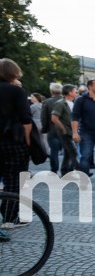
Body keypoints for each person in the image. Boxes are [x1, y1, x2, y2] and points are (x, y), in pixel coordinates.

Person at [0, 59, 32, 226]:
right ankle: (9, 217)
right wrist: (27, 143)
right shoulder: (15, 91)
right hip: (13, 141)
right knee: (16, 179)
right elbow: (26, 120)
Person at [50, 84, 79, 175]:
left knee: (68, 153)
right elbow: (54, 118)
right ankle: (81, 171)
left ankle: (65, 172)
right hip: (65, 132)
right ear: (70, 92)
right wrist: (63, 129)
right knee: (73, 152)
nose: (76, 93)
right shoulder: (60, 103)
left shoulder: (74, 103)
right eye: (75, 91)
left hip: (72, 131)